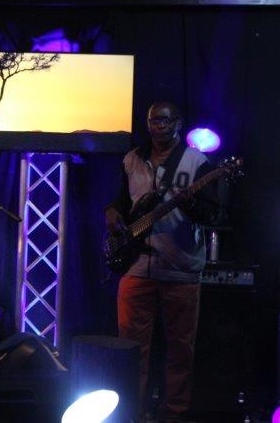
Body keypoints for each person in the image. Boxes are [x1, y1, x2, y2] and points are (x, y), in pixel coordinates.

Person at [104, 101, 219, 423]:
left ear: (178, 124)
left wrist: (189, 203)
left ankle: (173, 415)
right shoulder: (132, 159)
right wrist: (111, 212)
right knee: (130, 348)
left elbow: (213, 214)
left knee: (180, 349)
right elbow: (120, 201)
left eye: (165, 120)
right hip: (137, 264)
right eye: (154, 120)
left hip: (181, 267)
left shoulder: (197, 162)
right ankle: (131, 412)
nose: (158, 126)